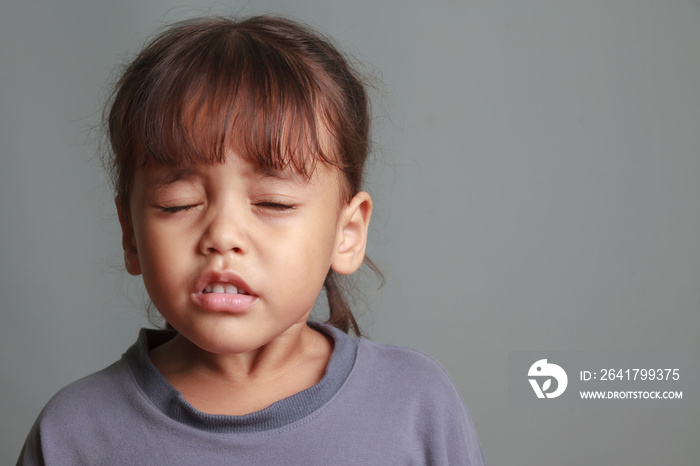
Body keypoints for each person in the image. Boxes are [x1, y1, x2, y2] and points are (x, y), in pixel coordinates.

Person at [17, 15, 485, 465]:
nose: (222, 236)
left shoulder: (415, 405)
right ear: (131, 234)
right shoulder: (74, 432)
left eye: (274, 203)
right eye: (177, 204)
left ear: (347, 233)